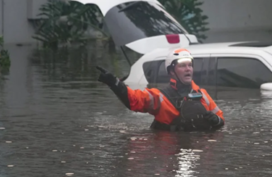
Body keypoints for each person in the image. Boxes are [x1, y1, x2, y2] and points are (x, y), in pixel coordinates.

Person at [95, 48, 225, 131]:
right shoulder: (159, 97)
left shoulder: (202, 95)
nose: (188, 69)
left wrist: (217, 121)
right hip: (169, 154)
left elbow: (221, 119)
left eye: (190, 65)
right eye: (182, 66)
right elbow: (133, 99)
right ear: (171, 71)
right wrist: (114, 83)